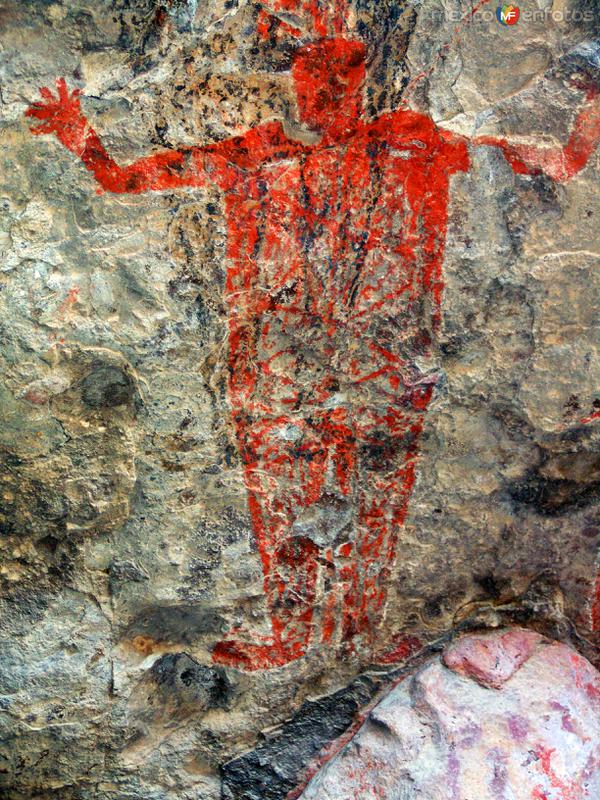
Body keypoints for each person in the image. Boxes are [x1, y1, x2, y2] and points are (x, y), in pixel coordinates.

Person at [26, 16, 600, 671]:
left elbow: (554, 162)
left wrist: (588, 104)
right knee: (283, 499)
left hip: (384, 361)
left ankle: (363, 634)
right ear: (297, 88)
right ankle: (292, 633)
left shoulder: (413, 140)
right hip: (281, 364)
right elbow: (126, 181)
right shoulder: (259, 150)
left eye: (337, 83)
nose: (321, 97)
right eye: (311, 83)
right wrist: (82, 138)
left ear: (359, 86)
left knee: (377, 497)